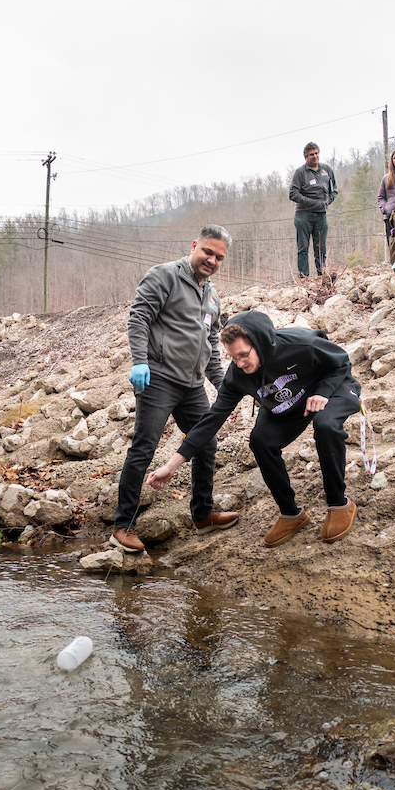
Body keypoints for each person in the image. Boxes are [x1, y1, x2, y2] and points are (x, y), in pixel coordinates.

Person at [147, 310, 363, 547]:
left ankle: (339, 503)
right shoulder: (237, 375)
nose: (239, 363)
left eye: (243, 355)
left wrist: (323, 392)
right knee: (260, 440)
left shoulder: (301, 343)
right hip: (287, 404)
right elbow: (210, 421)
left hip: (332, 388)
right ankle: (291, 514)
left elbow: (341, 361)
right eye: (233, 358)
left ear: (260, 343)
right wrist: (170, 466)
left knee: (326, 426)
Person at [111, 225, 239, 552]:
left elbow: (210, 344)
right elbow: (139, 318)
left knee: (205, 442)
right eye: (208, 252)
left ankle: (202, 514)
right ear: (194, 245)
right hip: (158, 378)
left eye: (219, 257)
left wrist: (224, 384)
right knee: (144, 446)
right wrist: (139, 360)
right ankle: (123, 526)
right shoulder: (164, 276)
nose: (211, 260)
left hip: (193, 385)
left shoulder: (212, 296)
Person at [289, 142, 337, 278]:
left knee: (321, 247)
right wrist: (312, 203)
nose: (315, 156)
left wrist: (327, 202)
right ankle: (304, 277)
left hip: (321, 215)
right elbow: (293, 194)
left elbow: (334, 190)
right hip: (303, 215)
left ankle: (322, 275)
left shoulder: (326, 170)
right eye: (311, 154)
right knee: (303, 248)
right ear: (306, 157)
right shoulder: (300, 172)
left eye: (316, 153)